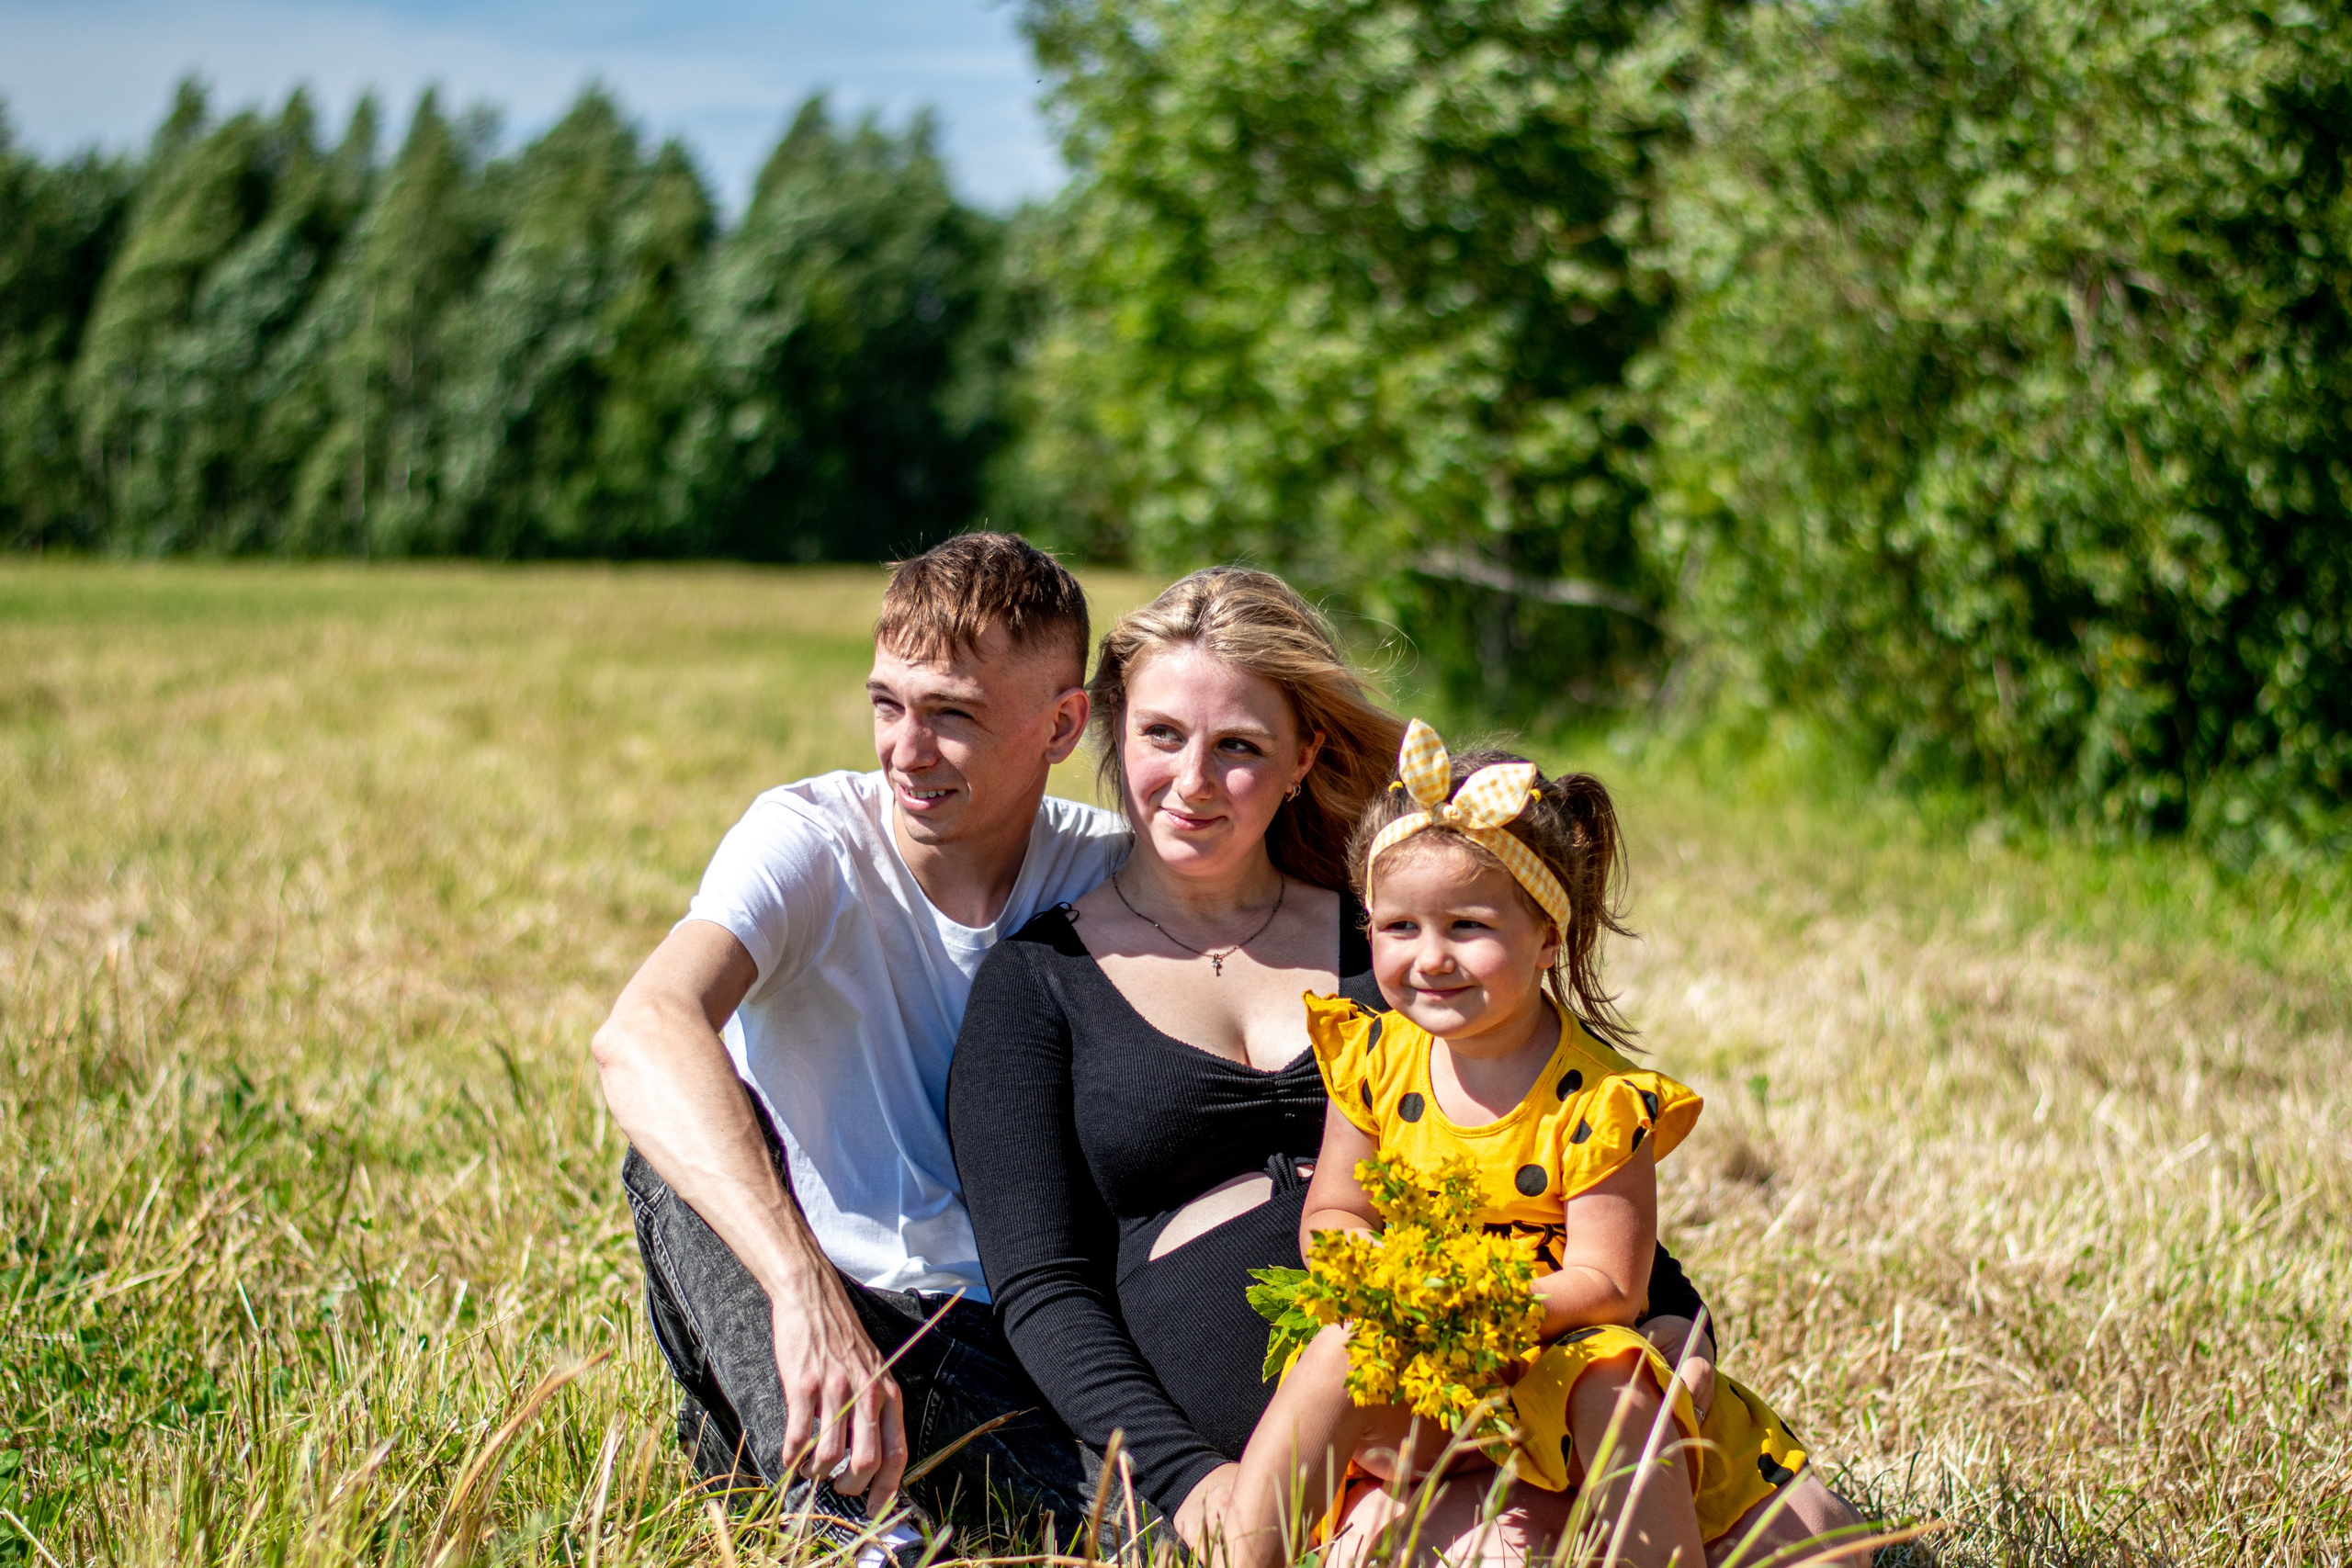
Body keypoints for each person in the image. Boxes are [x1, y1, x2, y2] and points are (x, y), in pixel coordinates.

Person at [946, 570, 1729, 1564]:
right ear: (1111, 728)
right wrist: (1187, 1481)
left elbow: (1558, 1146)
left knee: (1814, 1543)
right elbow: (1044, 1287)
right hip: (1251, 1454)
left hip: (1492, 1378)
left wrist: (1675, 1321)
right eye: (1161, 736)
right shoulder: (1037, 981)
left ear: (1303, 756)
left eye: (1238, 747)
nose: (1192, 781)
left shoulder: (1400, 941)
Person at [591, 534, 1126, 1554]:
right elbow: (642, 1032)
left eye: (952, 717)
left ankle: (852, 1497)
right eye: (887, 704)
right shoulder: (811, 838)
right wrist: (803, 1294)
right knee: (678, 1154)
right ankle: (849, 1529)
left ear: (1062, 725)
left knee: (1172, 1538)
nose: (905, 751)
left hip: (1005, 1346)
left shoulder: (1109, 873)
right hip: (797, 1321)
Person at [1223, 721, 1840, 1568]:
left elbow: (1612, 1286)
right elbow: (1334, 1205)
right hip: (1432, 1361)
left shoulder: (1597, 1102)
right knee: (1334, 1352)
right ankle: (1237, 1553)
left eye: (1467, 926)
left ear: (1548, 936)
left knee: (1618, 1384)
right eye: (1397, 926)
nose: (1430, 958)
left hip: (1554, 1353)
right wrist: (1385, 1278)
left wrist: (1483, 1301)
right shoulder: (1371, 1057)